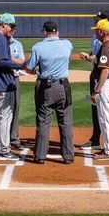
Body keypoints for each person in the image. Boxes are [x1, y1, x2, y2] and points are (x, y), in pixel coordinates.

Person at [23, 21, 75, 164]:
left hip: (46, 87)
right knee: (65, 122)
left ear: (45, 32)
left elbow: (29, 68)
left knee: (43, 121)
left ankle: (40, 156)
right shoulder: (67, 44)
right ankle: (69, 156)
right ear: (57, 32)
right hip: (63, 86)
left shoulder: (38, 47)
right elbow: (68, 59)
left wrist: (37, 70)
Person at [78, 10, 109, 154]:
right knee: (97, 108)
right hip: (97, 73)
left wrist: (105, 67)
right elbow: (97, 56)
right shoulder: (98, 37)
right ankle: (96, 139)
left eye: (98, 20)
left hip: (106, 76)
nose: (95, 22)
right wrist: (90, 57)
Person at [0, 13, 24, 160]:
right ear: (3, 24)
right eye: (11, 26)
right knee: (5, 117)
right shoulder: (0, 39)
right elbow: (2, 61)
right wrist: (21, 66)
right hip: (3, 83)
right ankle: (4, 150)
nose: (12, 29)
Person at [89, 19, 109, 160]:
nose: (95, 33)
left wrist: (97, 90)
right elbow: (104, 62)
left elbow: (105, 71)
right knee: (106, 116)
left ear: (102, 31)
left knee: (105, 117)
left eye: (97, 30)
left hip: (106, 85)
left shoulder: (106, 47)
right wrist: (90, 58)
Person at [8, 32, 31, 155]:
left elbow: (22, 61)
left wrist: (7, 60)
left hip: (14, 78)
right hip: (2, 78)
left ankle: (14, 139)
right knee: (2, 110)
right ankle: (0, 139)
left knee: (15, 107)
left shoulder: (17, 44)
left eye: (13, 28)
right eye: (9, 27)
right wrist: (13, 61)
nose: (11, 30)